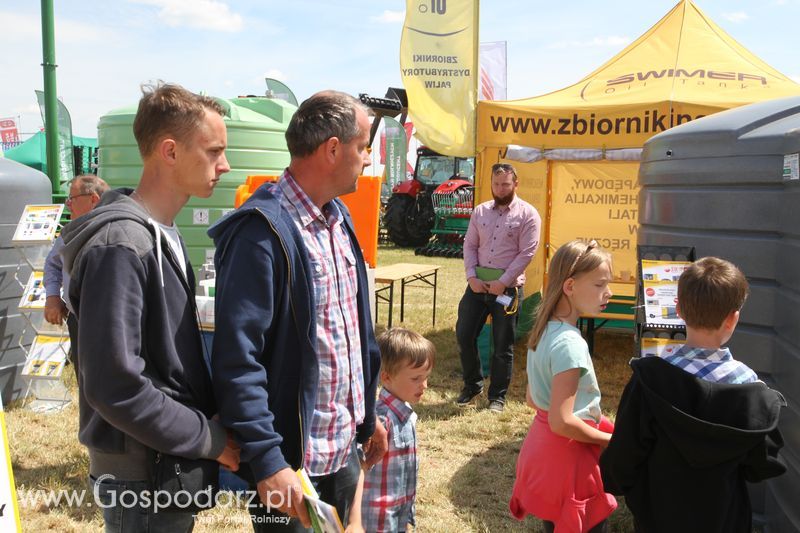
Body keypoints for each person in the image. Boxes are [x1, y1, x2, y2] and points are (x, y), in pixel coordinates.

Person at [60, 82, 239, 532]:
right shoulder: (122, 244)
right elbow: (114, 382)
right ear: (170, 151)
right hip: (139, 474)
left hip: (164, 461)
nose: (226, 164)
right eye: (214, 150)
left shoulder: (162, 233)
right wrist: (209, 438)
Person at [208, 90, 387, 532]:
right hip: (292, 467)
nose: (366, 160)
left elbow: (352, 331)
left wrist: (367, 416)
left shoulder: (339, 218)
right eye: (363, 147)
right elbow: (236, 359)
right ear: (332, 149)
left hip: (343, 448)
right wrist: (269, 460)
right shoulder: (260, 233)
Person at [600, 257, 786, 533]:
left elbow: (622, 459)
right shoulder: (754, 393)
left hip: (659, 517)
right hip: (725, 518)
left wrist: (624, 487)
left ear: (679, 310)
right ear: (733, 318)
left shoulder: (650, 380)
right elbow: (760, 466)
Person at [510, 239, 617, 532]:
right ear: (569, 286)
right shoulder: (571, 344)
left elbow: (534, 399)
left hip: (544, 457)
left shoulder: (543, 329)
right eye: (599, 285)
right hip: (570, 463)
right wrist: (610, 442)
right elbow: (562, 421)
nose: (608, 292)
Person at [455, 162, 541, 412]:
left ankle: (498, 397)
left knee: (503, 345)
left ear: (516, 183)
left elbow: (527, 253)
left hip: (507, 291)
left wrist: (502, 282)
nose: (500, 189)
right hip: (477, 287)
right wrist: (471, 276)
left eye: (505, 184)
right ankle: (472, 385)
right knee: (464, 335)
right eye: (496, 184)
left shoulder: (527, 214)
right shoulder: (480, 212)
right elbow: (470, 246)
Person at [361, 328, 434, 533]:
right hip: (377, 518)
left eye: (426, 377)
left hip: (398, 512)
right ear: (386, 377)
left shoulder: (406, 413)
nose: (424, 385)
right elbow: (360, 466)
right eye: (416, 379)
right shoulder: (381, 421)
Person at [43, 174, 109, 375]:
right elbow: (52, 263)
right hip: (78, 321)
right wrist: (53, 296)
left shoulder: (115, 229)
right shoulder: (70, 232)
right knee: (84, 379)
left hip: (108, 323)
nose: (68, 205)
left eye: (72, 199)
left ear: (94, 199)